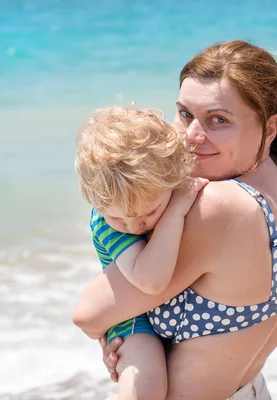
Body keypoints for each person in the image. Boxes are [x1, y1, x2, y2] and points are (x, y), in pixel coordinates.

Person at [73, 40, 277, 399]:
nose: (192, 137)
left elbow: (89, 313)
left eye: (218, 120)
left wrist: (124, 332)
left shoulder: (217, 206)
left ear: (269, 129)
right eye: (185, 114)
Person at [74, 106, 208, 400]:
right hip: (133, 320)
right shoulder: (107, 224)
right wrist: (171, 213)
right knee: (144, 383)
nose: (133, 225)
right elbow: (150, 280)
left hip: (169, 312)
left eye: (148, 212)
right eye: (120, 216)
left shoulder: (161, 181)